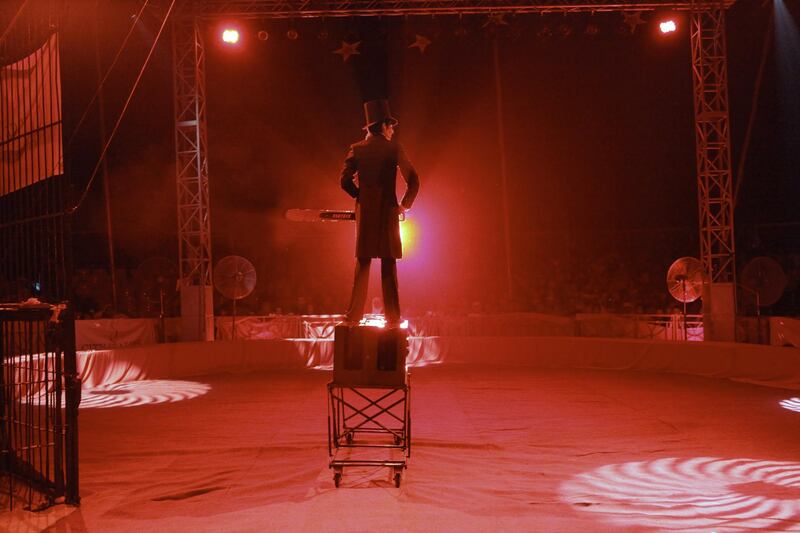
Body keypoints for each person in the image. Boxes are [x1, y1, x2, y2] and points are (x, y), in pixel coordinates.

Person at [340, 99, 420, 327]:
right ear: (384, 125)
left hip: (366, 214)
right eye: (391, 126)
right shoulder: (394, 148)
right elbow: (414, 179)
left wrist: (360, 196)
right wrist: (404, 204)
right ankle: (393, 318)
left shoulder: (357, 149)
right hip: (388, 214)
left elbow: (344, 180)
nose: (393, 130)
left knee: (362, 264)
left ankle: (353, 317)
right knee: (388, 265)